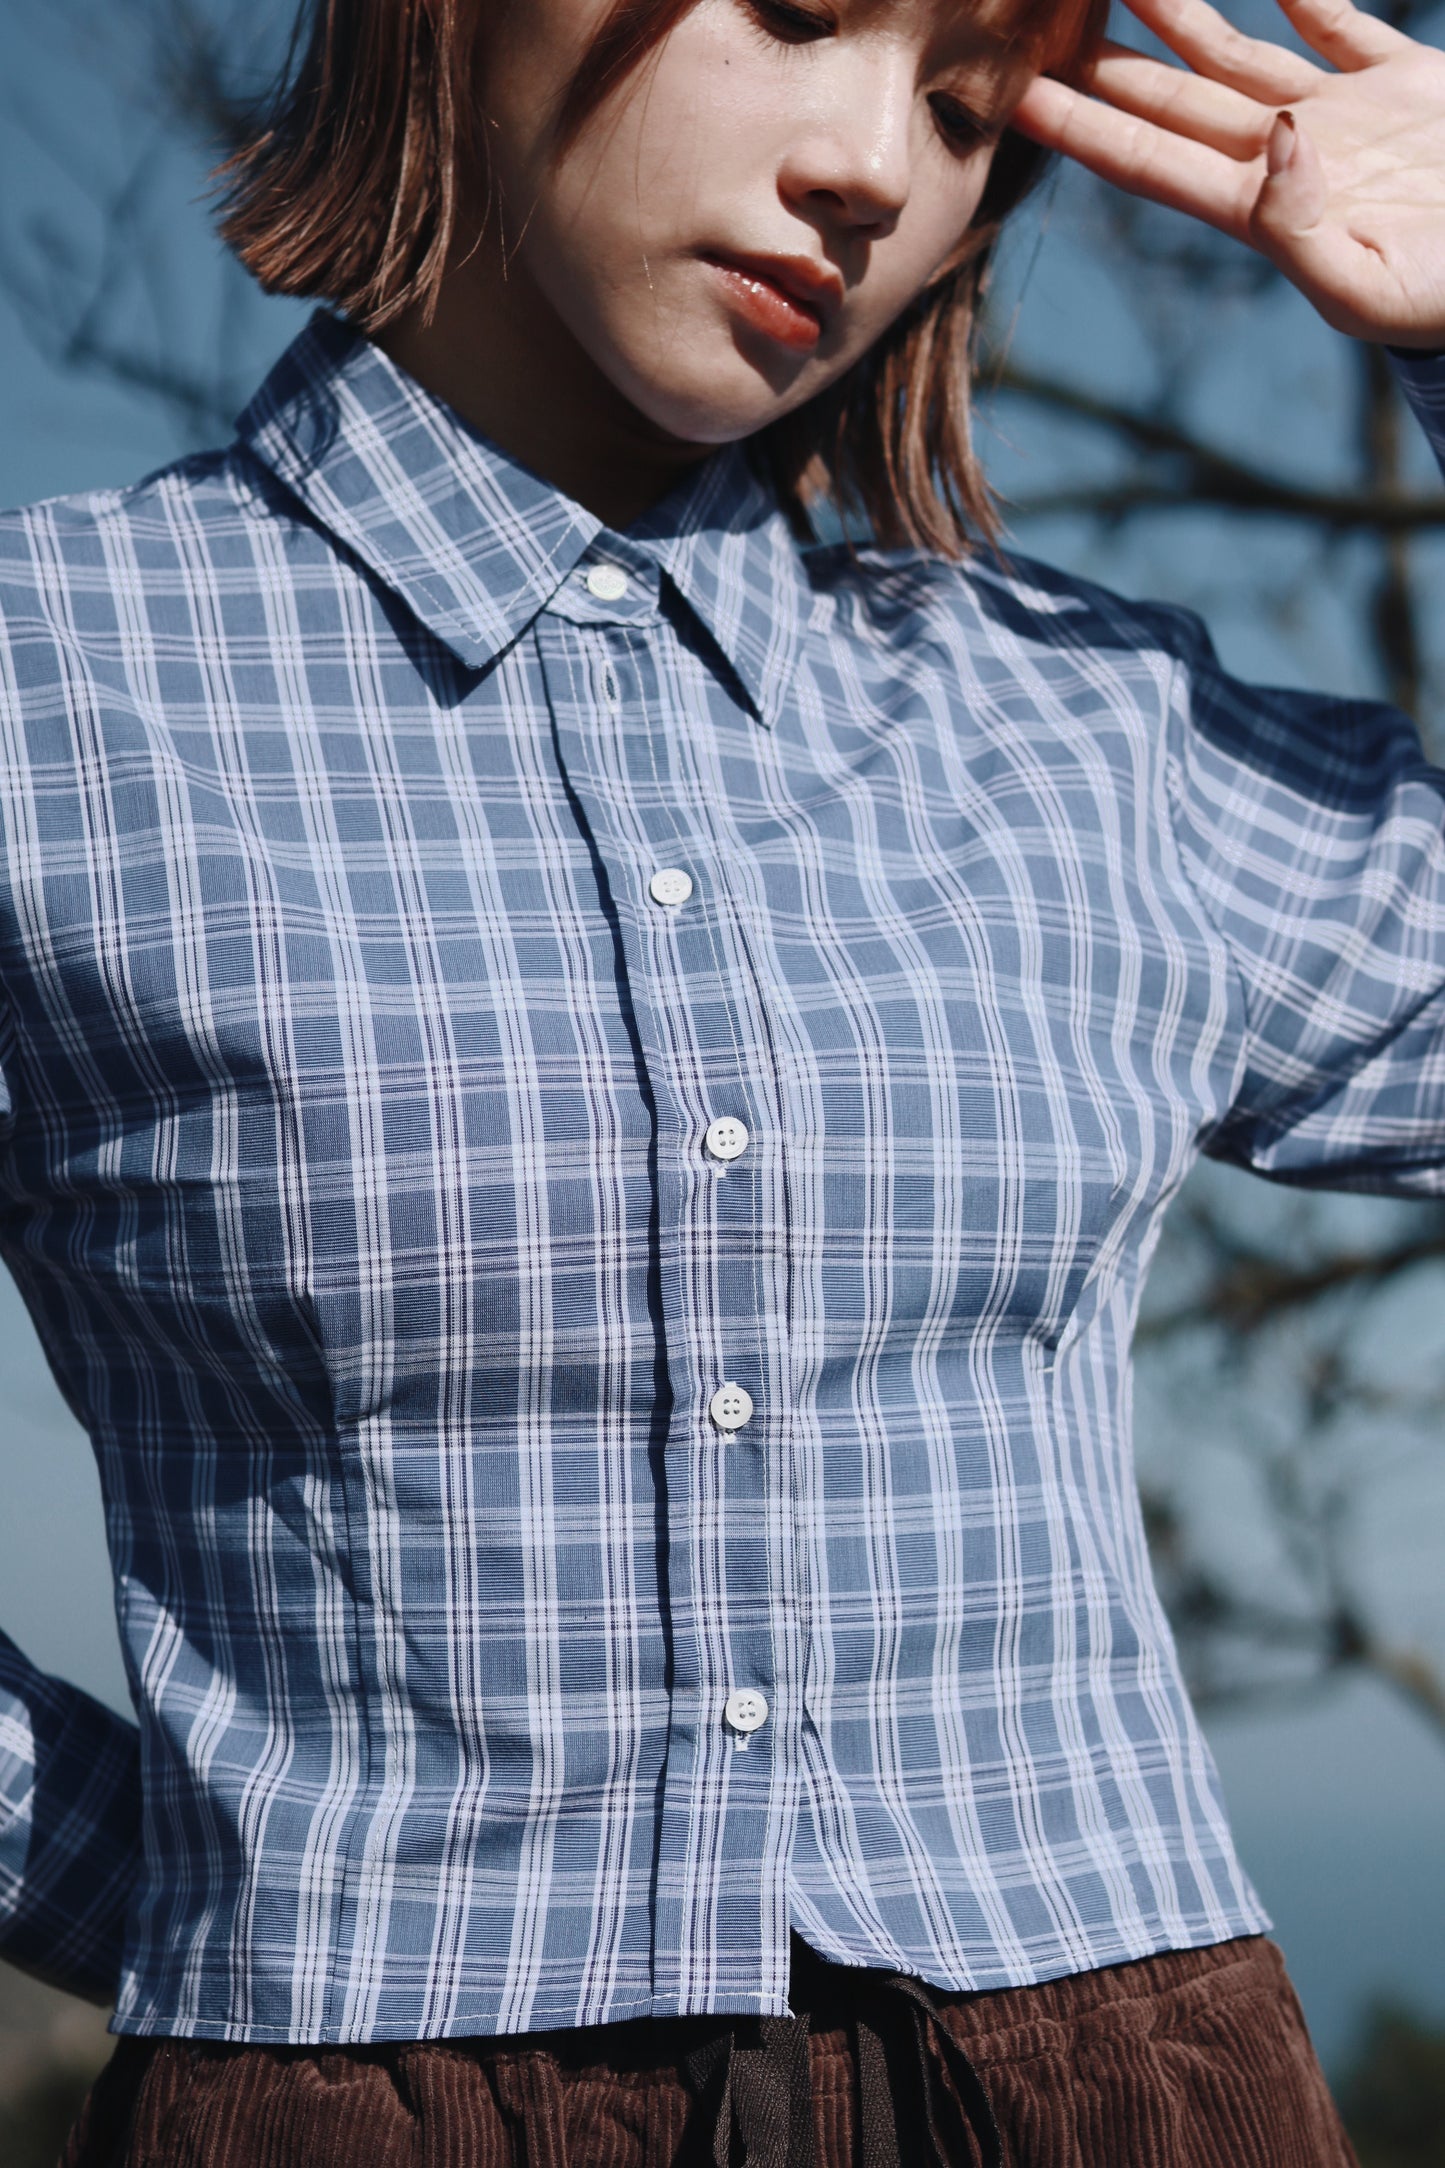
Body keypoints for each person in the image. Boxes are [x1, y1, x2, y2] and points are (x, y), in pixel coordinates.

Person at [0, 0, 1442, 2156]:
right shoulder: (51, 687)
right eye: (793, 14)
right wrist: (204, 1903)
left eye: (967, 113)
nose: (875, 168)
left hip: (1133, 2090)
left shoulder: (1102, 734)